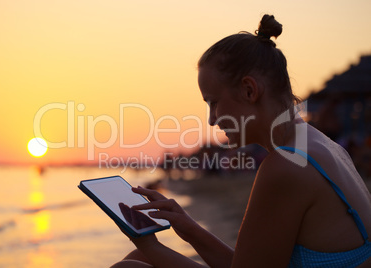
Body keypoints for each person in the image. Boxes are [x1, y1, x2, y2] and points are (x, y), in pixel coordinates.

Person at [111, 14, 371, 267]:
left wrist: (150, 245)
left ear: (249, 90)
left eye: (213, 102)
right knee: (140, 259)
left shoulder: (286, 166)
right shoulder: (320, 144)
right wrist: (188, 227)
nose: (212, 119)